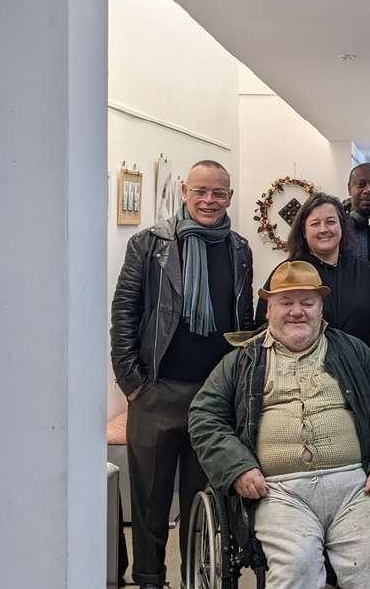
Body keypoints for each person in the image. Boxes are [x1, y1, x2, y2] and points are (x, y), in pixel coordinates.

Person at [189, 260, 370, 588]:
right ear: (269, 309)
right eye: (286, 302)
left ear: (321, 308)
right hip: (279, 492)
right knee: (298, 565)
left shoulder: (352, 351)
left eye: (307, 303)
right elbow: (204, 416)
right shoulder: (242, 360)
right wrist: (237, 468)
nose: (297, 312)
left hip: (355, 487)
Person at [110, 160, 254, 589]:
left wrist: (238, 383)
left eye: (219, 193)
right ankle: (149, 580)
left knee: (202, 501)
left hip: (214, 397)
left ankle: (195, 578)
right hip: (156, 392)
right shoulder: (148, 244)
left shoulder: (239, 249)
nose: (209, 201)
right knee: (150, 501)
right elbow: (124, 313)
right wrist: (132, 383)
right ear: (184, 191)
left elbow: (243, 318)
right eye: (201, 191)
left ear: (230, 197)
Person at [256, 192, 370, 351]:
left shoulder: (366, 273)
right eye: (315, 224)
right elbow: (264, 328)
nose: (323, 229)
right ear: (304, 232)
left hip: (358, 363)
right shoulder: (285, 273)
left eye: (330, 222)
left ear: (342, 226)